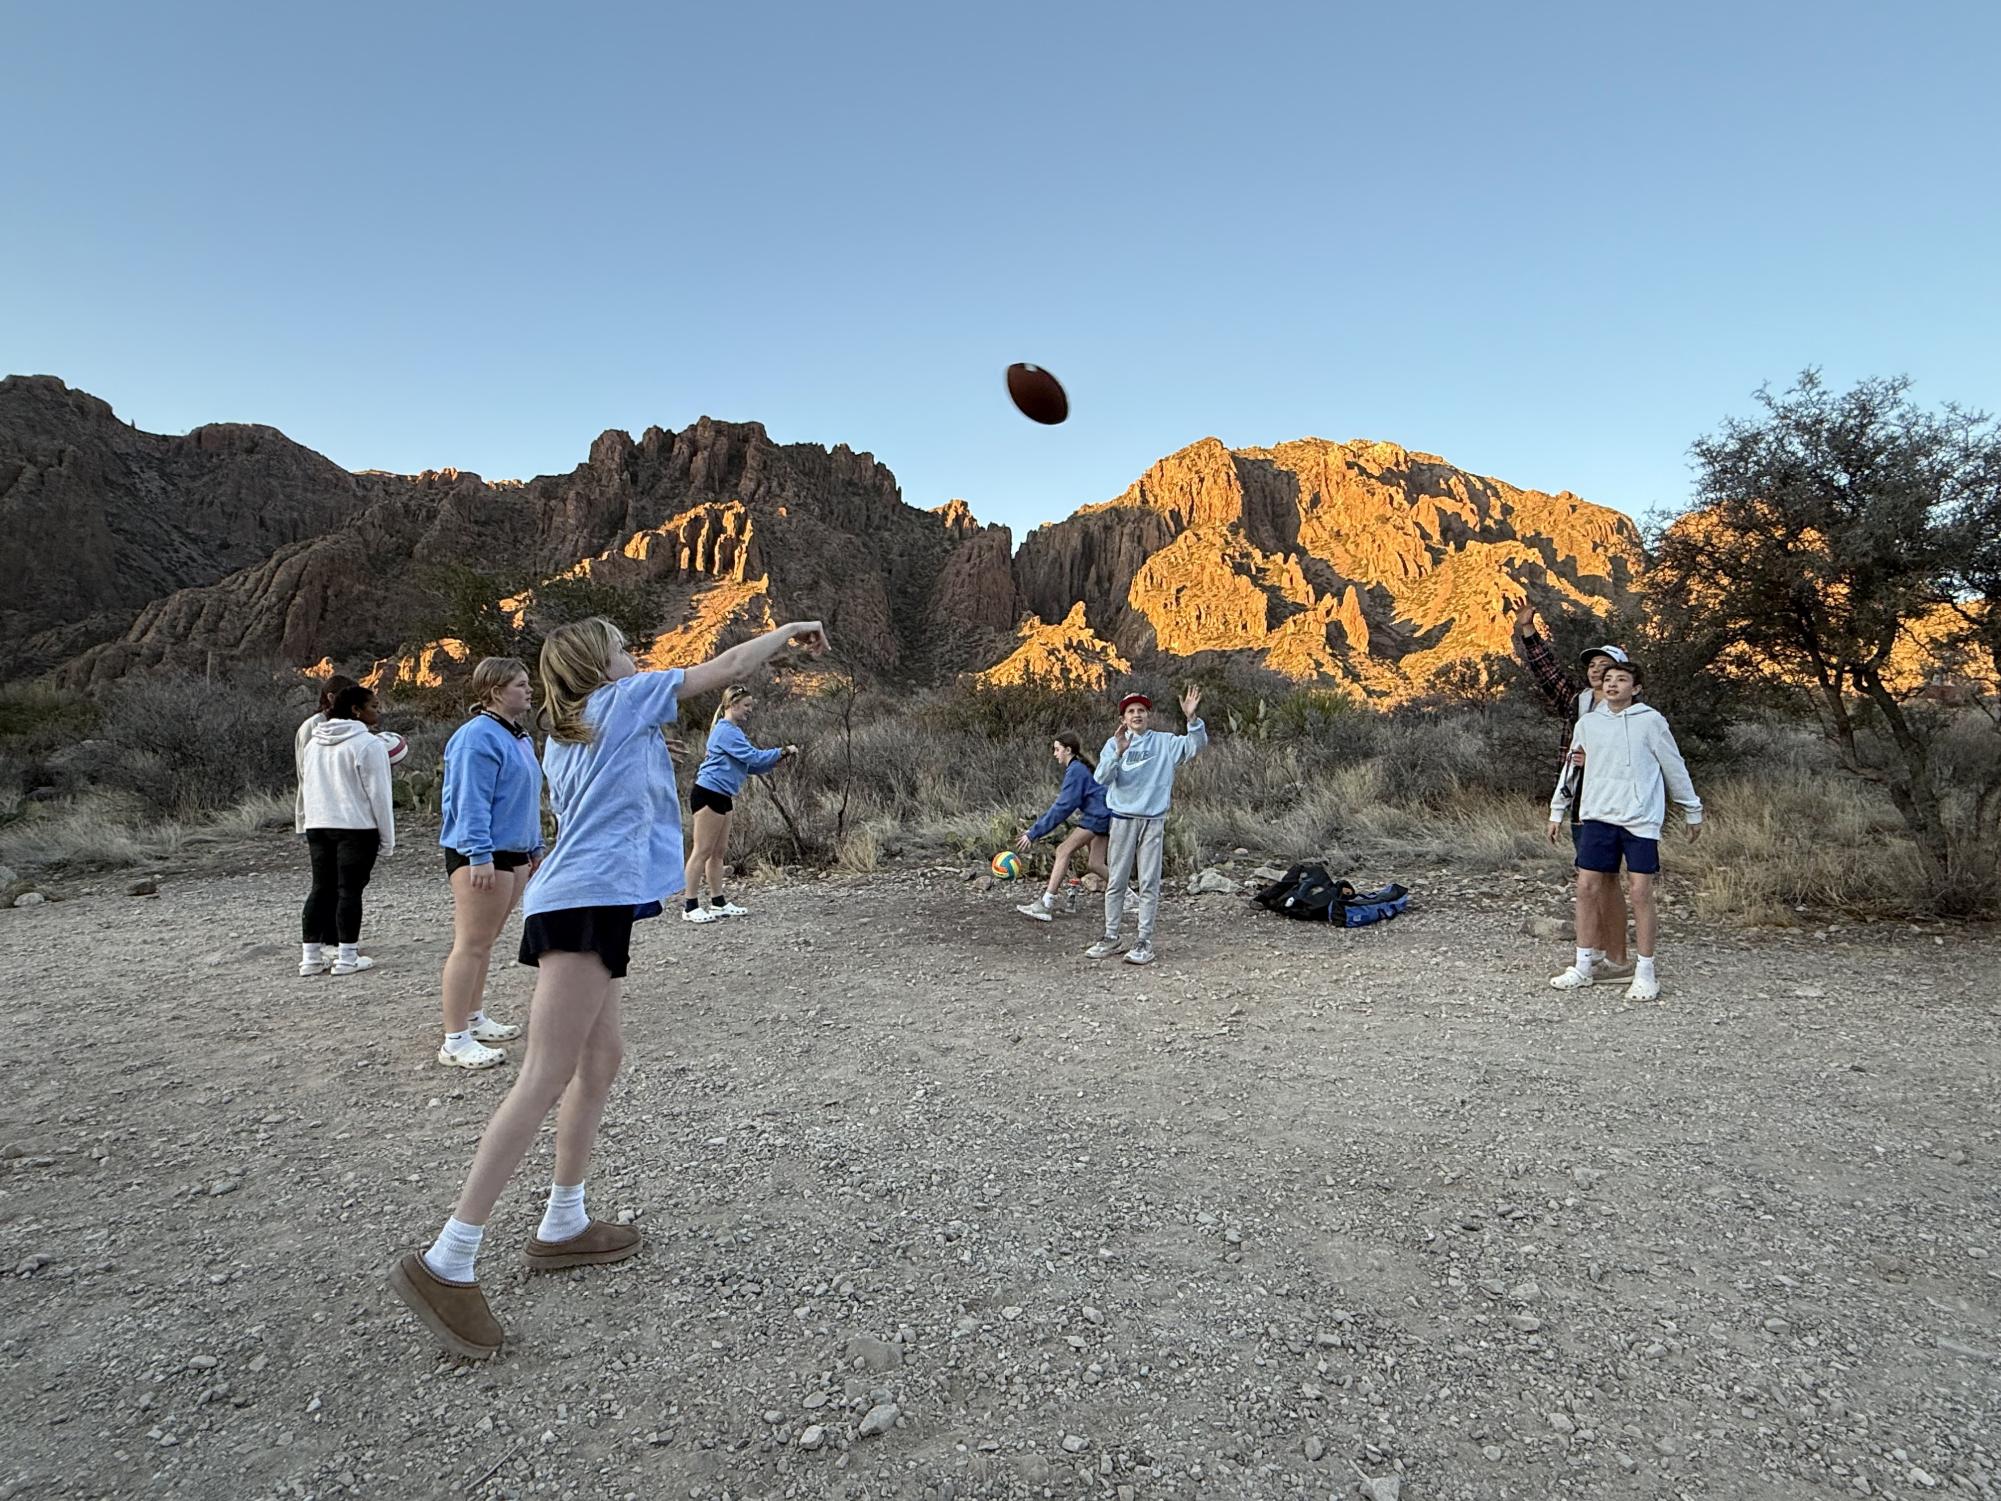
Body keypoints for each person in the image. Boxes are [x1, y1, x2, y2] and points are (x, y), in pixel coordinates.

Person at [389, 615, 829, 1360]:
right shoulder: (619, 703)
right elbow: (720, 667)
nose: (638, 655)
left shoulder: (579, 727)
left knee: (601, 1060)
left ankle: (564, 1221)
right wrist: (785, 630)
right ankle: (447, 1258)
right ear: (600, 663)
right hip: (584, 901)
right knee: (542, 1076)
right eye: (626, 647)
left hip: (591, 898)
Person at [1546, 661, 1703, 1001]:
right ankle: (1583, 965)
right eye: (1608, 680)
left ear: (1636, 688)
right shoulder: (1588, 723)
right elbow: (1570, 769)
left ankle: (1645, 971)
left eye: (1622, 680)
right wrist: (1558, 809)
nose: (1613, 685)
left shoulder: (1650, 721)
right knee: (1586, 887)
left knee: (1640, 892)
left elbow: (1673, 765)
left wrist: (1692, 808)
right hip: (1597, 815)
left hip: (1639, 818)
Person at [1512, 604, 1635, 983]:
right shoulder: (1579, 702)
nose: (1596, 669)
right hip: (1583, 799)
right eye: (1592, 665)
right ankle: (1598, 952)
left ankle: (1615, 955)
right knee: (1590, 874)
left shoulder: (1633, 711)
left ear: (1623, 674)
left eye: (1606, 664)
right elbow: (1547, 673)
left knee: (1607, 878)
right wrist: (1528, 633)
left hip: (1618, 800)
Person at [434, 657, 545, 1071]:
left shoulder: (517, 737)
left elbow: (525, 796)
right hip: (483, 855)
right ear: (496, 691)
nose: (528, 690)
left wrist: (534, 845)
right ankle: (455, 1038)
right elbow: (470, 802)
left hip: (513, 852)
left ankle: (474, 1018)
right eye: (520, 684)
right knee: (471, 942)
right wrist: (479, 855)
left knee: (486, 941)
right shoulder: (476, 738)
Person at [1087, 687, 1207, 966]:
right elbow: (1102, 778)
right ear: (1123, 718)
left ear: (1148, 715)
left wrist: (1192, 720)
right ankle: (1111, 935)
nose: (1137, 714)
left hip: (1153, 821)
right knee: (1116, 880)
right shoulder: (1114, 743)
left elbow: (1194, 746)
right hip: (1122, 820)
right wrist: (1118, 752)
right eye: (1131, 711)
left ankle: (1144, 941)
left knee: (1149, 881)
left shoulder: (1164, 742)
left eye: (1141, 710)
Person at [298, 685, 395, 978]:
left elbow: (307, 784)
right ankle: (347, 957)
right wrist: (387, 839)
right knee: (349, 891)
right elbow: (379, 794)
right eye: (374, 707)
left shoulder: (313, 743)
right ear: (356, 710)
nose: (378, 712)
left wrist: (306, 821)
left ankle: (310, 958)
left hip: (318, 824)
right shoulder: (369, 744)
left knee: (321, 888)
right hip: (355, 827)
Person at [682, 685, 796, 923]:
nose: (749, 710)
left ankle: (718, 902)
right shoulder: (725, 731)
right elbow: (752, 756)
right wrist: (781, 750)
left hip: (723, 795)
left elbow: (751, 765)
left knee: (718, 852)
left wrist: (777, 760)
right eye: (746, 706)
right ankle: (690, 905)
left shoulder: (733, 731)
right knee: (702, 851)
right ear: (732, 705)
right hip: (708, 793)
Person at [1014, 731, 1112, 921]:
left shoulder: (1076, 771)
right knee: (1095, 863)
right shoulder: (1078, 768)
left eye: (1057, 749)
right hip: (1104, 814)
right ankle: (1130, 898)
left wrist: (1033, 833)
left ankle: (1046, 904)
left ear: (1068, 750)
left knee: (1063, 850)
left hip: (1098, 817)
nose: (1055, 754)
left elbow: (1062, 807)